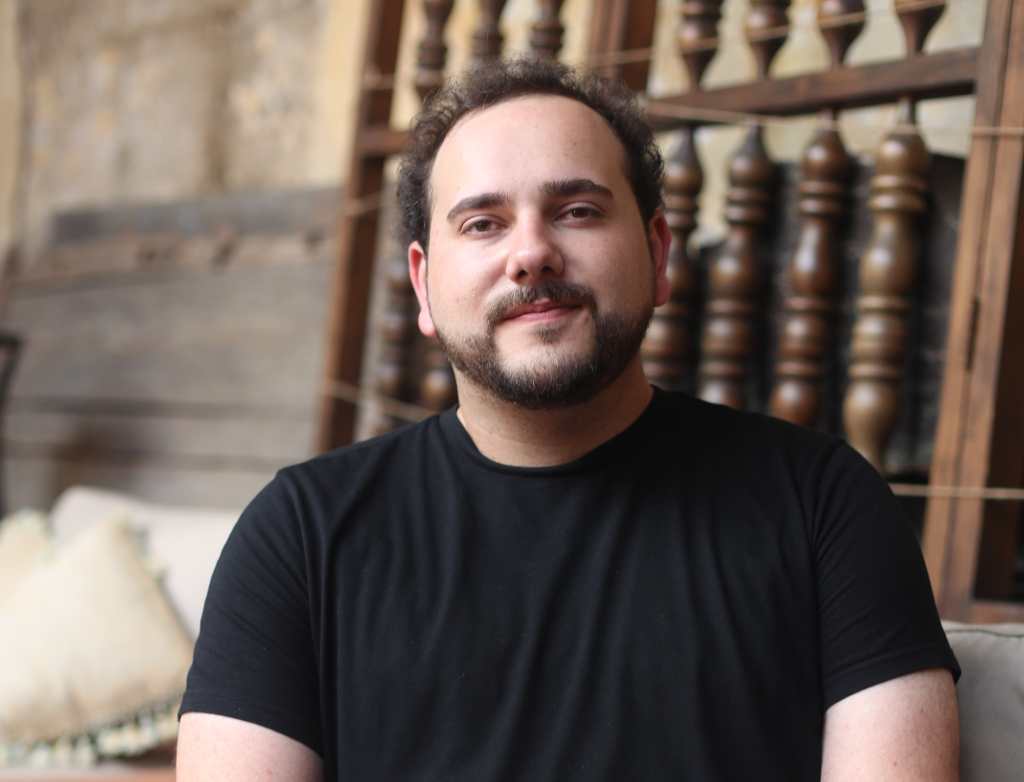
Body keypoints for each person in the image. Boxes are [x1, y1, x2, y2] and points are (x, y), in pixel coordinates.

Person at [177, 57, 960, 781]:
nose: (532, 253)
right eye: (482, 223)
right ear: (422, 286)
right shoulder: (301, 535)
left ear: (657, 253)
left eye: (577, 210)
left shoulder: (825, 506)